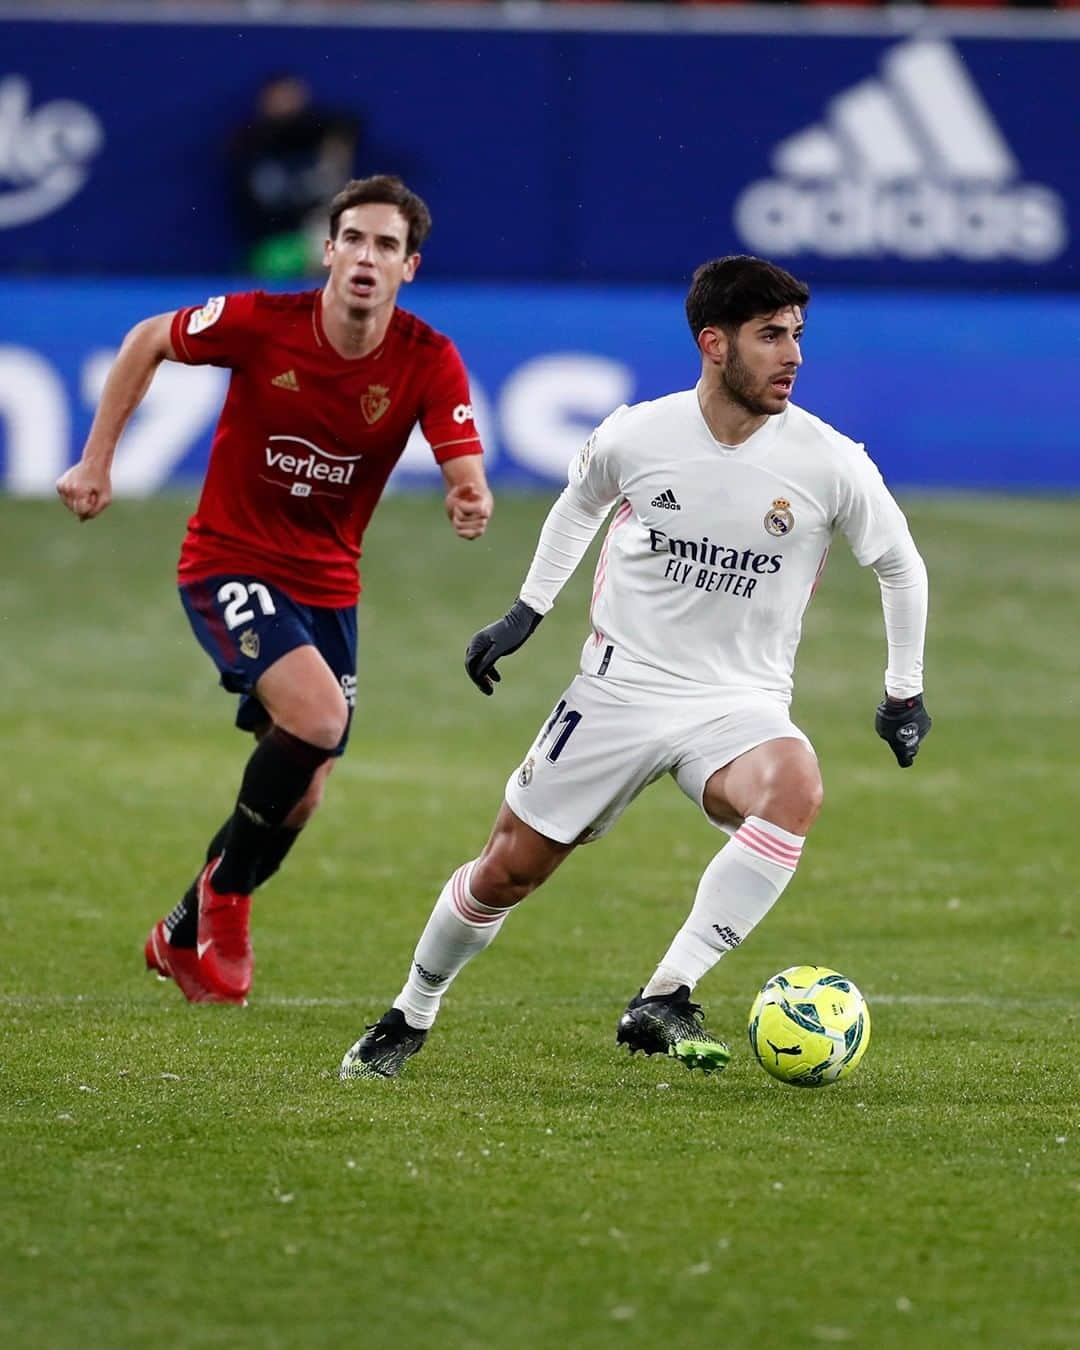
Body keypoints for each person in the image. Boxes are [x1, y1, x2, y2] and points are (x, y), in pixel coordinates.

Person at [340, 254, 931, 1081]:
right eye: (771, 336)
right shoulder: (636, 435)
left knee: (794, 786)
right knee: (505, 872)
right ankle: (412, 1009)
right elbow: (578, 503)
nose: (793, 354)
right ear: (713, 344)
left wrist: (904, 691)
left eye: (798, 335)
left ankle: (668, 991)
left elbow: (901, 566)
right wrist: (527, 611)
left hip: (738, 702)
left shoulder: (830, 461)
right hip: (619, 691)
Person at [57, 174, 493, 1006]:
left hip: (328, 585)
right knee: (319, 720)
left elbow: (461, 456)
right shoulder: (264, 322)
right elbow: (149, 337)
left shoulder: (426, 356)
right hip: (228, 559)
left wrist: (466, 493)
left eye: (387, 247)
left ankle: (181, 929)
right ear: (328, 252)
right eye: (354, 240)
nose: (367, 257)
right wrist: (97, 459)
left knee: (305, 790)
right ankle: (226, 905)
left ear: (410, 268)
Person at [228, 73, 360, 277]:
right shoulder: (253, 146)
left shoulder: (323, 136)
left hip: (322, 237)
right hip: (274, 246)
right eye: (279, 98)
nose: (287, 105)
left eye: (292, 97)